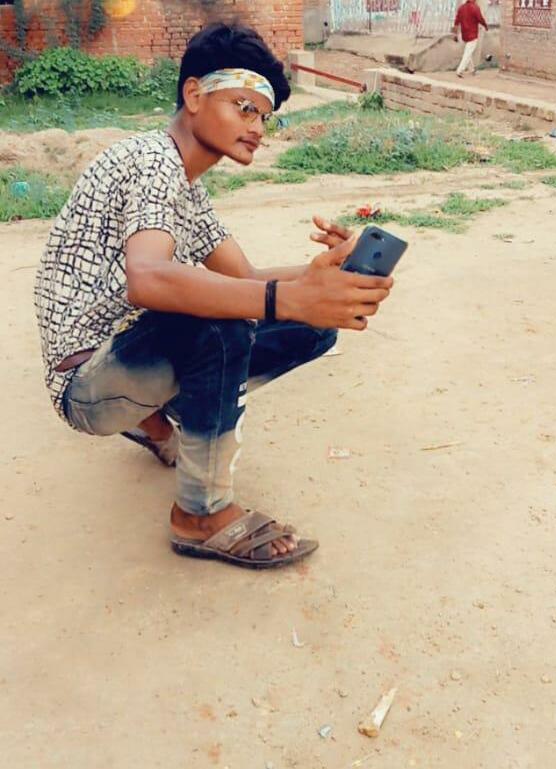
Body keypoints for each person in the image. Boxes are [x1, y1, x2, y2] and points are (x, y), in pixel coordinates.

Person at [35, 23, 394, 570]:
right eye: (245, 108)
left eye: (264, 117)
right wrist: (289, 297)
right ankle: (200, 514)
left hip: (128, 360)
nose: (257, 128)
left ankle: (163, 418)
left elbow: (246, 277)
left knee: (310, 324)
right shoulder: (151, 161)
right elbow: (149, 279)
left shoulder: (187, 187)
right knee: (221, 320)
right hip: (86, 381)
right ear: (195, 94)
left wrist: (321, 277)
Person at [453, 0, 488, 78]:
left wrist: (455, 34)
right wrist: (485, 26)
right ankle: (460, 70)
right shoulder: (475, 7)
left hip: (464, 35)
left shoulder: (461, 8)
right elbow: (480, 18)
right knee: (467, 54)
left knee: (468, 52)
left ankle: (472, 70)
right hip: (472, 35)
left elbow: (456, 21)